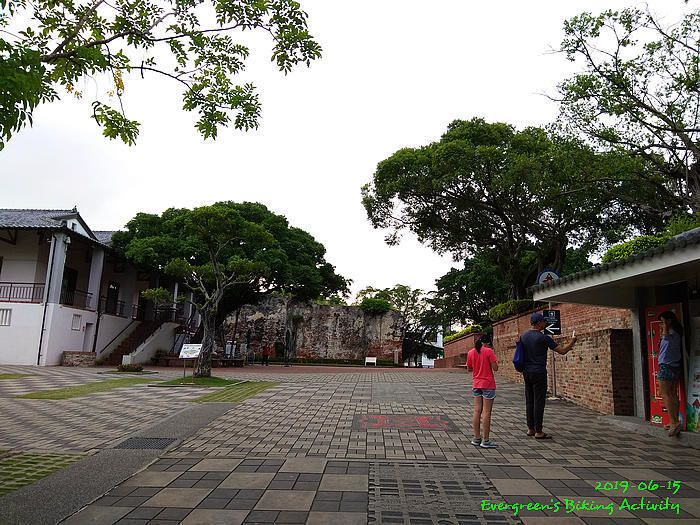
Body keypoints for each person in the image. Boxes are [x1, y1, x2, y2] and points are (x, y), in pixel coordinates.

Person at [520, 312, 577, 439]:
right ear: (539, 323)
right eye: (544, 321)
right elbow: (562, 351)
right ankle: (539, 431)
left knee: (529, 400)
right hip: (539, 372)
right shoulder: (544, 338)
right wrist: (572, 342)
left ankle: (530, 428)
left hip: (526, 372)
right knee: (539, 401)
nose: (545, 323)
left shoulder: (523, 336)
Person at [466, 335, 499, 449]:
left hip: (476, 384)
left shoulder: (471, 352)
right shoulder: (489, 351)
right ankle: (486, 440)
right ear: (487, 343)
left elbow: (469, 369)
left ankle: (476, 438)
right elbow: (495, 368)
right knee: (486, 412)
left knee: (477, 411)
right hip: (488, 384)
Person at [658, 310, 684, 437]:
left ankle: (674, 422)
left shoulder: (669, 334)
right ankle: (675, 420)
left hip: (666, 365)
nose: (661, 324)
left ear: (669, 321)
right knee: (673, 393)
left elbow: (665, 337)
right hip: (674, 365)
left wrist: (665, 327)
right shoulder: (677, 333)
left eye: (662, 322)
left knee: (665, 394)